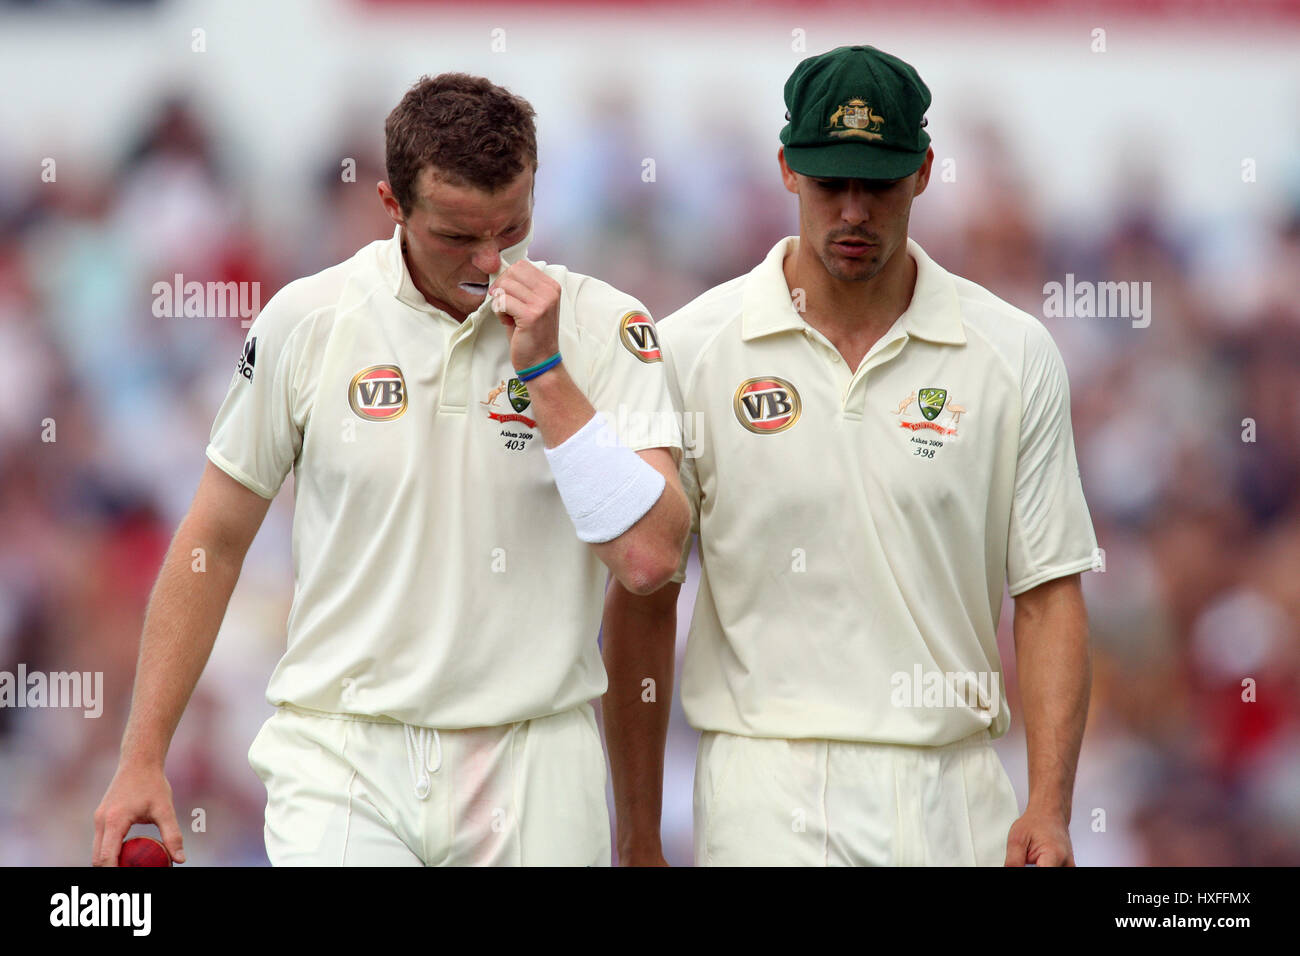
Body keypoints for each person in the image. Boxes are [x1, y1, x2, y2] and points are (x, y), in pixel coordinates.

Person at [93, 73, 690, 867]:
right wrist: (142, 755)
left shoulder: (609, 327)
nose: (488, 262)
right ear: (392, 203)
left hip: (536, 755)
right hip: (343, 754)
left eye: (511, 228)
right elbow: (216, 540)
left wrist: (546, 373)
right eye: (456, 236)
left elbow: (650, 561)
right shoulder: (307, 321)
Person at [603, 45, 1097, 867]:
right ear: (787, 170)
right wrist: (640, 836)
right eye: (832, 184)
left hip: (956, 792)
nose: (856, 213)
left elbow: (1048, 592)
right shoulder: (690, 349)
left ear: (926, 172)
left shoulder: (1012, 353)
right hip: (765, 788)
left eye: (881, 185)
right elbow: (645, 596)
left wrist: (1049, 805)